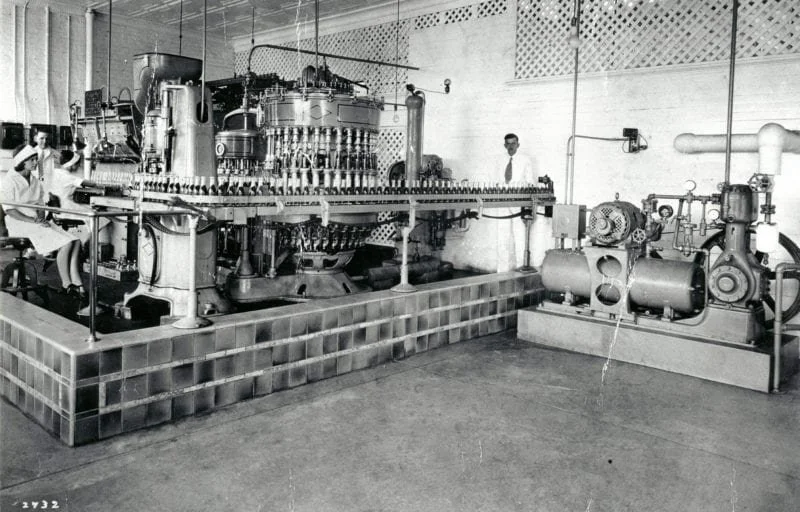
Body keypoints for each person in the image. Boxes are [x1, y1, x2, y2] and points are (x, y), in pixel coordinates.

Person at [1, 145, 85, 297]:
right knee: (66, 244)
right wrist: (33, 221)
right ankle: (66, 284)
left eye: (35, 159)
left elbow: (40, 203)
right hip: (19, 223)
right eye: (32, 160)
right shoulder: (8, 181)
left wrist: (40, 217)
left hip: (35, 221)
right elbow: (10, 210)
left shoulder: (34, 180)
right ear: (22, 161)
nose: (35, 163)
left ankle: (77, 283)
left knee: (75, 240)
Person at [49, 142, 111, 244]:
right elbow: (89, 183)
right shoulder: (68, 177)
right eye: (77, 164)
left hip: (56, 209)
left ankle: (85, 244)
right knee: (97, 217)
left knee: (91, 212)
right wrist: (103, 184)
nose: (78, 167)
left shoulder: (56, 173)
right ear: (72, 164)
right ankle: (85, 245)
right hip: (66, 209)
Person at [496, 133, 538, 273]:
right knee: (503, 237)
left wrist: (529, 204)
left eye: (513, 143)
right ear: (504, 145)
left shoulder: (525, 160)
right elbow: (496, 180)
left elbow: (531, 182)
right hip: (502, 201)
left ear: (518, 145)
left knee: (520, 236)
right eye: (508, 144)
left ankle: (521, 268)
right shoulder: (500, 160)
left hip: (519, 201)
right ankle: (502, 271)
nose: (510, 147)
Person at [33, 130, 58, 195]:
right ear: (35, 138)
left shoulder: (56, 154)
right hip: (33, 188)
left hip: (51, 189)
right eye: (41, 138)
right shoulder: (29, 153)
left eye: (47, 139)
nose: (45, 141)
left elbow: (59, 174)